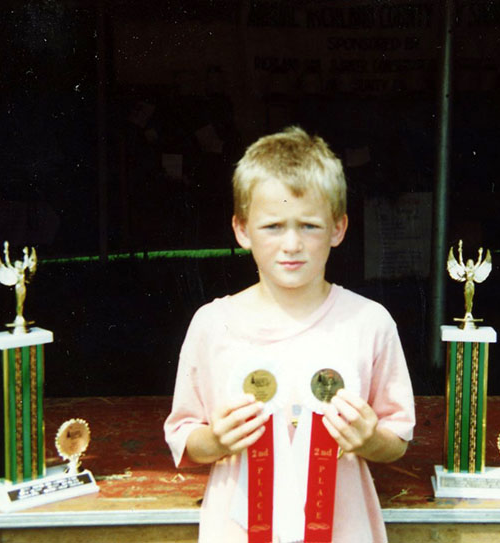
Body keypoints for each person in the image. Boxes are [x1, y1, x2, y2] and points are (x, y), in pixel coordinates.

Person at [164, 126, 415, 542]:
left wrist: (370, 439)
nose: (292, 244)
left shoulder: (369, 322)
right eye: (273, 226)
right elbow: (185, 439)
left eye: (310, 226)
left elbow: (397, 438)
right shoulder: (212, 325)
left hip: (341, 528)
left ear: (338, 228)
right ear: (242, 230)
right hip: (237, 530)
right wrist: (217, 438)